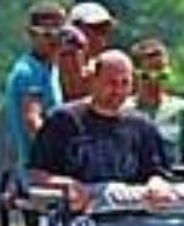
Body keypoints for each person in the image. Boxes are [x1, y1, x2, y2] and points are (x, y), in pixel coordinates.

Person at [29, 50, 172, 209]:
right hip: (77, 220)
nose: (117, 90)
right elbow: (37, 175)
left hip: (131, 221)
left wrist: (157, 185)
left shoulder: (142, 126)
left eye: (124, 83)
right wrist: (67, 185)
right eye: (111, 83)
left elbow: (157, 172)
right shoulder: (63, 120)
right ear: (93, 80)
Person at [1, 1, 69, 171]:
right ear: (31, 35)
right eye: (47, 35)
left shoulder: (50, 69)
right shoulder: (28, 72)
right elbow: (32, 121)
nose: (55, 40)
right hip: (39, 172)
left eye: (60, 34)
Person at [125, 38, 184, 171]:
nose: (155, 82)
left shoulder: (183, 109)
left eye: (162, 75)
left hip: (172, 179)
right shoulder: (124, 109)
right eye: (148, 75)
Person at [55, 0, 118, 102]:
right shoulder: (66, 56)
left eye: (105, 29)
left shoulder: (96, 63)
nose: (101, 36)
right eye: (97, 28)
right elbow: (76, 91)